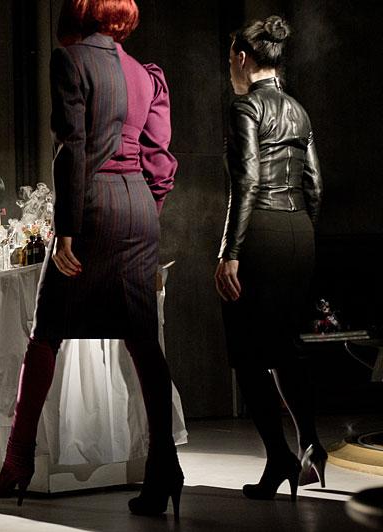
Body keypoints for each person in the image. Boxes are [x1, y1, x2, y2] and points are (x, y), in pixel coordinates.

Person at [0, 0, 181, 518]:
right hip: (139, 208)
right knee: (144, 339)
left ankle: (17, 462)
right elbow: (160, 159)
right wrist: (146, 214)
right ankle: (165, 466)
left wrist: (68, 228)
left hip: (93, 204)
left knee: (46, 335)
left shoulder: (70, 60)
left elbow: (72, 148)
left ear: (79, 13)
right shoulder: (147, 75)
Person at [215, 15, 325, 502]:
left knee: (247, 356)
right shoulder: (299, 111)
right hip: (299, 232)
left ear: (242, 59)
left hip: (259, 232)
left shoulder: (245, 107)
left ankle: (279, 457)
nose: (230, 70)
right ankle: (311, 445)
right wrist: (300, 231)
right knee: (286, 348)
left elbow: (247, 182)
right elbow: (315, 185)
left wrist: (230, 252)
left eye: (230, 62)